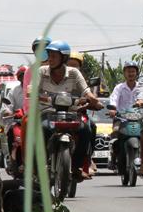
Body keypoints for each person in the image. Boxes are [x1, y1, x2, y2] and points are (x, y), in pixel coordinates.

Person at [34, 40, 102, 181]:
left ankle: (77, 167)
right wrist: (38, 95)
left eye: (54, 56)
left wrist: (93, 99)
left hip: (71, 113)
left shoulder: (74, 73)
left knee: (86, 131)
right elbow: (32, 89)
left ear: (63, 58)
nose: (50, 59)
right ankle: (39, 166)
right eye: (49, 55)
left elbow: (86, 91)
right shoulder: (41, 71)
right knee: (42, 129)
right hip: (48, 112)